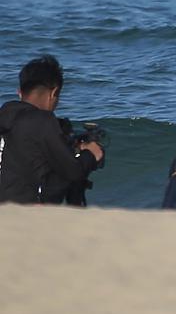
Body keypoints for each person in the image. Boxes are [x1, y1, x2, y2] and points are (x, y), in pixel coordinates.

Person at [0, 55, 104, 205]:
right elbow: (73, 172)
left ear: (20, 93)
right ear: (53, 93)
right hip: (24, 211)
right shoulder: (42, 120)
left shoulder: (4, 116)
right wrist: (91, 153)